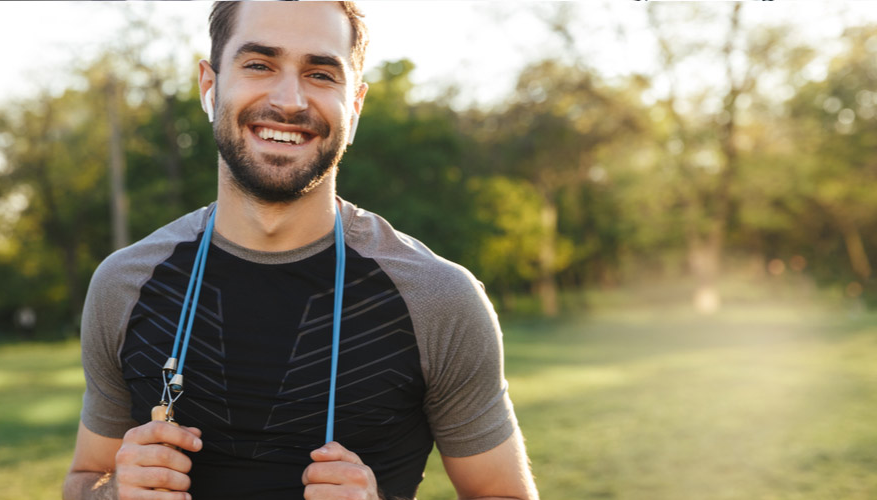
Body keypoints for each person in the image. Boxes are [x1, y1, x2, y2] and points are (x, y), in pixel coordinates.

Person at [63, 2, 538, 499]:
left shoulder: (439, 298)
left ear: (353, 107)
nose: (289, 100)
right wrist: (113, 491)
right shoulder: (125, 282)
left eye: (320, 73)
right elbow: (83, 479)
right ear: (210, 85)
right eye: (259, 64)